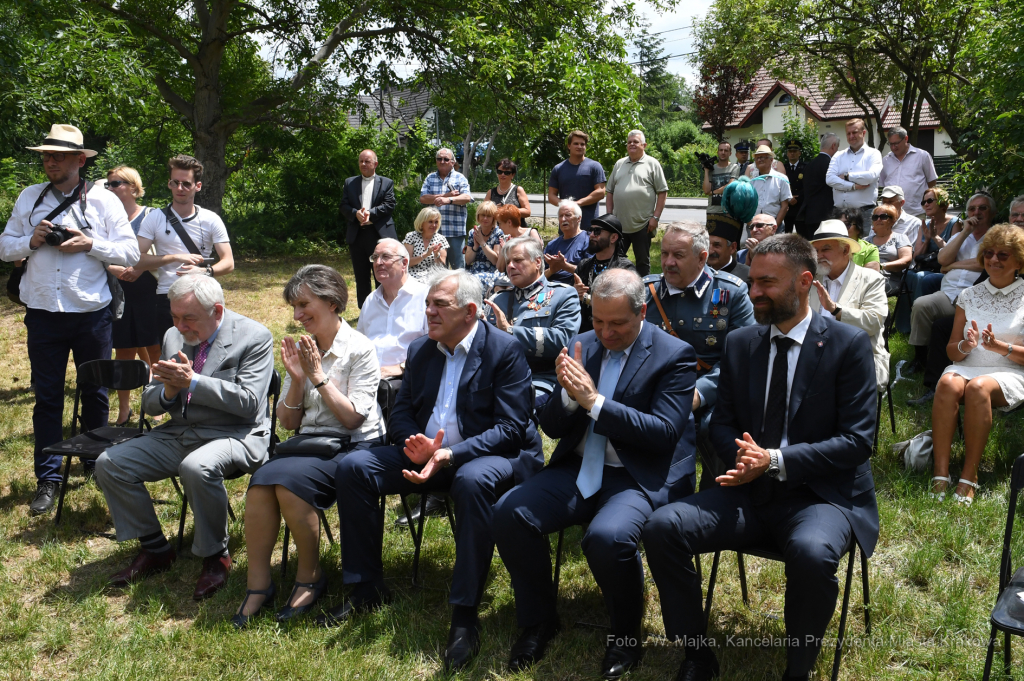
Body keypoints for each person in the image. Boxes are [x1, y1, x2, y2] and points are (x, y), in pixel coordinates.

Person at [643, 234, 878, 681]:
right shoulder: (741, 343)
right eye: (751, 281)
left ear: (804, 281)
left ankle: (798, 670)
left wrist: (773, 460)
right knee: (661, 528)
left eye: (766, 283)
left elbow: (857, 441)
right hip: (747, 490)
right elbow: (721, 423)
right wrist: (748, 460)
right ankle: (696, 653)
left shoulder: (848, 346)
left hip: (821, 495)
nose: (753, 293)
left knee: (811, 554)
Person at [325, 270, 544, 675]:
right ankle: (365, 588)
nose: (428, 312)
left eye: (438, 305)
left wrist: (448, 453)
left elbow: (511, 430)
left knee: (471, 480)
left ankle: (464, 616)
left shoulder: (503, 350)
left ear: (470, 311)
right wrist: (417, 443)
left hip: (492, 456)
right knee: (355, 466)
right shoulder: (423, 350)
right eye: (427, 304)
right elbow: (402, 411)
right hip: (429, 453)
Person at [492, 269, 698, 677]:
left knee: (607, 538)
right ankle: (538, 621)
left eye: (617, 323)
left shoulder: (674, 354)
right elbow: (551, 426)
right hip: (579, 466)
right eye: (598, 320)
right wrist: (568, 400)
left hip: (636, 473)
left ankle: (625, 636)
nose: (605, 332)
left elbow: (663, 434)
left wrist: (595, 402)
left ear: (642, 313)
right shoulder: (582, 343)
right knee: (509, 512)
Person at [94, 275, 274, 600]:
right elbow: (149, 403)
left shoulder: (254, 336)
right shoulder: (172, 336)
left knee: (196, 467)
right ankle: (154, 548)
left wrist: (193, 383)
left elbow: (249, 404)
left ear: (217, 311)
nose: (179, 326)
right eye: (174, 317)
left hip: (235, 433)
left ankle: (214, 555)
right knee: (110, 463)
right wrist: (168, 390)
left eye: (188, 318)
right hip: (180, 432)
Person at [0, 124, 139, 515]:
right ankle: (49, 476)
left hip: (91, 313)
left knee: (95, 391)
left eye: (57, 156)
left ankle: (95, 462)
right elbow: (4, 246)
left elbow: (129, 254)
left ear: (80, 160)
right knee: (46, 398)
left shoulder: (104, 201)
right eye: (45, 155)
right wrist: (32, 239)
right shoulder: (30, 197)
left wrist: (91, 244)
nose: (49, 162)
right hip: (43, 311)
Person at [235, 266, 384, 628]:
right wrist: (298, 381)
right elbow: (287, 423)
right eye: (294, 307)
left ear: (332, 303)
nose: (297, 316)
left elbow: (352, 420)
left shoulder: (360, 349)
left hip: (353, 448)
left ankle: (310, 576)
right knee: (260, 483)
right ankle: (259, 585)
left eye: (304, 305)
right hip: (309, 447)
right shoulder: (306, 348)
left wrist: (317, 376)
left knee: (288, 485)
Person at [929, 224, 1024, 506]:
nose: (994, 260)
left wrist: (1001, 348)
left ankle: (969, 477)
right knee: (946, 382)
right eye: (989, 253)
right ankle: (940, 475)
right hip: (968, 366)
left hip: (1010, 371)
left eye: (1003, 255)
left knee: (978, 388)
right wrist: (965, 346)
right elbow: (951, 351)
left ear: (1019, 261)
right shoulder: (969, 295)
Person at [643, 222, 754, 443]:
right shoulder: (645, 292)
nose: (668, 262)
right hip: (654, 387)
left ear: (702, 258)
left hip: (710, 390)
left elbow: (742, 357)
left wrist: (699, 393)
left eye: (678, 255)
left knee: (715, 430)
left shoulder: (732, 293)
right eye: (664, 253)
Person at [137, 154, 235, 340]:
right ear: (169, 184)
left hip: (203, 295)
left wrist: (204, 272)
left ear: (197, 186)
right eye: (175, 183)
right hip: (167, 297)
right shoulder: (154, 218)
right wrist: (174, 258)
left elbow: (229, 262)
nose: (179, 188)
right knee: (170, 354)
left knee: (207, 351)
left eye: (186, 184)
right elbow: (136, 260)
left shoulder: (210, 219)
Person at [905, 193, 995, 376]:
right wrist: (965, 233)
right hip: (948, 294)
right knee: (921, 305)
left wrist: (952, 265)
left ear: (991, 212)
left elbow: (983, 263)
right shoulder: (962, 235)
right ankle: (920, 358)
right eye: (972, 208)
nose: (976, 212)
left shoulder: (995, 236)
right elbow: (942, 258)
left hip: (973, 296)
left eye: (982, 208)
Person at [485, 237, 581, 403]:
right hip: (498, 376)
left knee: (516, 406)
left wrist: (510, 332)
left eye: (517, 260)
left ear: (538, 262)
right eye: (508, 262)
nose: (510, 266)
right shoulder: (498, 299)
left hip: (539, 377)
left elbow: (563, 339)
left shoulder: (563, 295)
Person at [104, 165, 160, 426]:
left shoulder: (150, 215)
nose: (111, 188)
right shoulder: (104, 217)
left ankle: (156, 402)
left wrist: (138, 268)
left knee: (155, 349)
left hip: (147, 289)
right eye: (109, 184)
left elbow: (162, 253)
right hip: (117, 290)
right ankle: (123, 410)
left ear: (133, 187)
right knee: (123, 351)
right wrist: (111, 268)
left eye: (116, 183)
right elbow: (98, 251)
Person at [809, 220, 890, 387]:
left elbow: (873, 322)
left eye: (826, 249)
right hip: (812, 353)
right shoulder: (810, 280)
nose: (819, 255)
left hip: (856, 356)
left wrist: (836, 309)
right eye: (816, 250)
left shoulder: (870, 279)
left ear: (845, 250)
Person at [357, 239, 429, 378]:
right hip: (369, 378)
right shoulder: (371, 300)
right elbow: (360, 343)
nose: (378, 263)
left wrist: (402, 367)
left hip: (409, 377)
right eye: (375, 257)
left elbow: (436, 345)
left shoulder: (425, 297)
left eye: (386, 257)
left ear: (404, 263)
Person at [605, 130, 669, 277]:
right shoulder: (619, 164)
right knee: (614, 259)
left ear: (644, 145)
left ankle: (643, 290)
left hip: (643, 224)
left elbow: (662, 192)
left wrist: (655, 218)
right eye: (629, 142)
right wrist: (609, 215)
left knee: (642, 262)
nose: (632, 144)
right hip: (619, 225)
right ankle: (617, 286)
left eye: (635, 142)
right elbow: (610, 191)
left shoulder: (652, 164)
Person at [339, 149, 397, 308]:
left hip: (378, 235)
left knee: (382, 273)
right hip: (357, 235)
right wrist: (355, 213)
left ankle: (385, 307)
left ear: (375, 164)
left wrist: (369, 214)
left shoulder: (386, 182)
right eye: (361, 161)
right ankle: (364, 310)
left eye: (367, 161)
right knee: (361, 275)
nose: (363, 164)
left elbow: (389, 205)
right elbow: (343, 206)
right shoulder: (349, 182)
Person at [573, 214, 636, 333]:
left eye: (597, 231)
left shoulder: (625, 269)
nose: (591, 235)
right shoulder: (584, 265)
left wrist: (585, 298)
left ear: (613, 238)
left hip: (611, 332)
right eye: (591, 231)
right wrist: (573, 292)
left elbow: (621, 306)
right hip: (582, 331)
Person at [826, 118, 883, 235]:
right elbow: (830, 179)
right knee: (840, 247)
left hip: (865, 213)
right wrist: (853, 186)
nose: (851, 136)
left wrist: (847, 176)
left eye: (855, 132)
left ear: (863, 133)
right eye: (848, 133)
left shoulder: (874, 154)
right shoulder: (838, 155)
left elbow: (871, 176)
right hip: (840, 213)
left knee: (865, 246)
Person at [420, 148, 473, 269]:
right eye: (439, 159)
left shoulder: (460, 178)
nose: (442, 161)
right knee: (437, 268)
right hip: (434, 231)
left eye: (446, 159)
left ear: (452, 162)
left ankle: (460, 289)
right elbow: (423, 198)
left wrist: (449, 200)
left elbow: (467, 197)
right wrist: (445, 196)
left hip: (455, 230)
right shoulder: (430, 178)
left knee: (458, 268)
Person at [548, 130, 607, 232]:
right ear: (569, 146)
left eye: (582, 144)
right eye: (576, 143)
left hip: (589, 226)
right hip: (566, 226)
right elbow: (551, 195)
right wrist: (566, 206)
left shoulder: (595, 166)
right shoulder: (558, 169)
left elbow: (601, 192)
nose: (579, 146)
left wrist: (578, 203)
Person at [879, 126, 938, 219]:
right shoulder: (885, 160)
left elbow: (931, 182)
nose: (893, 147)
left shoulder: (922, 156)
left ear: (906, 138)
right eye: (890, 144)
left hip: (916, 213)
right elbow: (883, 184)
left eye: (896, 143)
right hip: (891, 214)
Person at [796, 132, 840, 239]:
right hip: (826, 216)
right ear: (834, 146)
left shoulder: (809, 165)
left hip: (810, 215)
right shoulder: (831, 165)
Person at [867, 203, 913, 296]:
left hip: (889, 279)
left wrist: (881, 266)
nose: (878, 219)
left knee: (868, 288)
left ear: (892, 221)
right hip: (866, 277)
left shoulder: (900, 238)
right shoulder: (865, 241)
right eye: (875, 217)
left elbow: (906, 260)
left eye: (883, 216)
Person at [543, 199, 590, 284]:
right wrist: (552, 270)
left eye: (568, 215)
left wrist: (564, 266)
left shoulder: (588, 240)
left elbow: (590, 273)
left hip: (574, 288)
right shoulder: (552, 245)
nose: (563, 219)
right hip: (550, 288)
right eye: (561, 216)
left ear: (578, 218)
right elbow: (539, 277)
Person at [464, 200, 506, 292]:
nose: (485, 218)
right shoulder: (473, 232)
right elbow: (468, 261)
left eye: (489, 216)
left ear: (493, 218)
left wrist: (482, 243)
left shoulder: (498, 233)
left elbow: (495, 260)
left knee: (476, 280)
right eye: (483, 215)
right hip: (474, 269)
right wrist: (475, 247)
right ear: (478, 216)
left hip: (492, 271)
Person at [750, 145, 792, 229]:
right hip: (755, 226)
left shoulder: (781, 178)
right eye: (757, 158)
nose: (759, 160)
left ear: (771, 160)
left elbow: (784, 206)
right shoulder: (752, 180)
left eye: (762, 157)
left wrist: (775, 226)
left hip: (775, 225)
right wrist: (751, 225)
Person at [403, 207, 449, 281]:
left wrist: (436, 255)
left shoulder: (441, 239)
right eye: (430, 222)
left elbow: (442, 267)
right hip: (412, 275)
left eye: (436, 222)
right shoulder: (411, 236)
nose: (434, 225)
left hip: (434, 276)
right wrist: (426, 255)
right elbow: (407, 262)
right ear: (422, 222)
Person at [494, 204, 542, 273]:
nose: (499, 227)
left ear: (509, 222)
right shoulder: (504, 239)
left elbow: (538, 258)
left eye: (500, 223)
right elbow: (500, 269)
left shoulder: (531, 233)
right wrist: (504, 250)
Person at [834, 207, 881, 272]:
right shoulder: (826, 247)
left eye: (847, 224)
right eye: (838, 225)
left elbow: (870, 279)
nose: (841, 228)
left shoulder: (870, 250)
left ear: (858, 228)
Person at [706, 214, 750, 283]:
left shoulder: (747, 276)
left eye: (717, 245)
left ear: (732, 247)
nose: (710, 251)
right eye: (707, 244)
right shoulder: (697, 272)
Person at [702, 141, 739, 216]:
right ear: (718, 152)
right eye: (721, 150)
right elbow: (706, 190)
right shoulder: (712, 168)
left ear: (730, 153)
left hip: (729, 211)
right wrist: (706, 170)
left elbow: (730, 186)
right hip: (712, 211)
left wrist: (713, 192)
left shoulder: (734, 167)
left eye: (726, 150)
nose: (723, 152)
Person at [783, 139, 807, 235]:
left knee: (802, 235)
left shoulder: (805, 167)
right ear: (787, 154)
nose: (792, 153)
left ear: (799, 153)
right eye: (790, 151)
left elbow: (807, 185)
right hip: (787, 206)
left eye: (794, 151)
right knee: (786, 236)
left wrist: (798, 197)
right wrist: (789, 197)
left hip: (800, 205)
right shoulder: (783, 168)